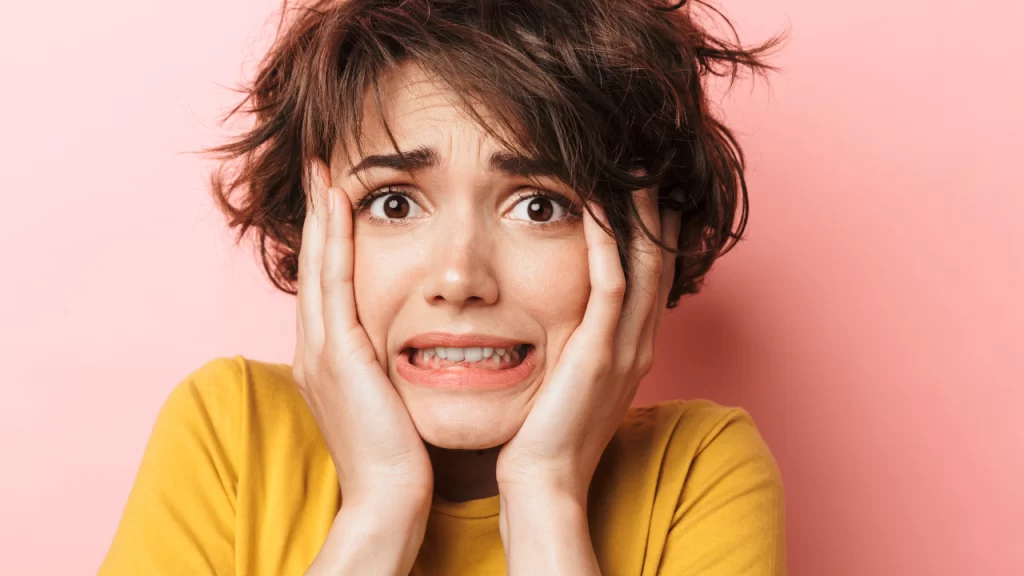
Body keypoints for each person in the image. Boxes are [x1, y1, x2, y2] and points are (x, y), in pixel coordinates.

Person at [99, 0, 786, 574]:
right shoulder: (232, 430)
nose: (460, 279)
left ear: (641, 249)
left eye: (540, 206)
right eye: (394, 203)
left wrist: (546, 498)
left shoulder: (697, 470)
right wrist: (379, 510)